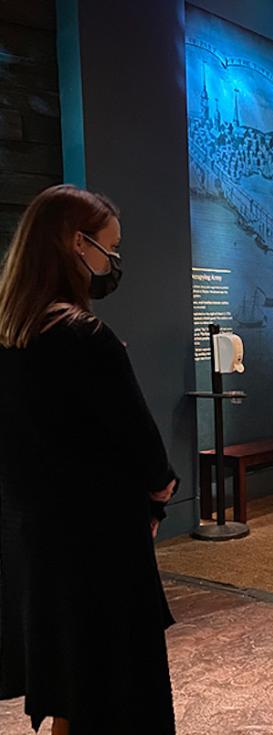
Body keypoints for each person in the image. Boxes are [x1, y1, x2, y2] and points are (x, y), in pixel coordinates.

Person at [0, 185, 178, 734]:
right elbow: (140, 439)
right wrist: (160, 489)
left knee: (70, 685)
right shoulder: (83, 334)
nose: (113, 261)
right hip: (100, 538)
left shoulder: (12, 333)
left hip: (35, 533)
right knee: (117, 684)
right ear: (78, 244)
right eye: (109, 246)